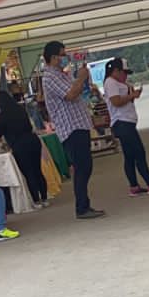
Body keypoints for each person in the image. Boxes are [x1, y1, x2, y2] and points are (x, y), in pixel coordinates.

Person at [41, 41, 105, 220]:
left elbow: (76, 92)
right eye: (63, 55)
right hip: (70, 128)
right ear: (54, 57)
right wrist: (81, 78)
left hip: (79, 124)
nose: (65, 58)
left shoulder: (62, 74)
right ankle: (82, 207)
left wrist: (81, 80)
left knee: (86, 166)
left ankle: (84, 205)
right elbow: (70, 94)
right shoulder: (50, 77)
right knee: (82, 167)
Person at [102, 59, 149, 197]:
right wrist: (131, 95)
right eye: (124, 73)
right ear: (116, 71)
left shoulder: (117, 83)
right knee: (139, 153)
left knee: (130, 156)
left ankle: (134, 186)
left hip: (125, 122)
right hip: (122, 122)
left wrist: (131, 93)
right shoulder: (110, 82)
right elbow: (116, 101)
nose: (125, 76)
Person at [0, 88, 48, 207]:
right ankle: (45, 197)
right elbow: (29, 125)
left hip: (19, 145)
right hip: (33, 140)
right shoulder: (20, 109)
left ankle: (36, 200)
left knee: (29, 173)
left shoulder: (3, 115)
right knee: (37, 170)